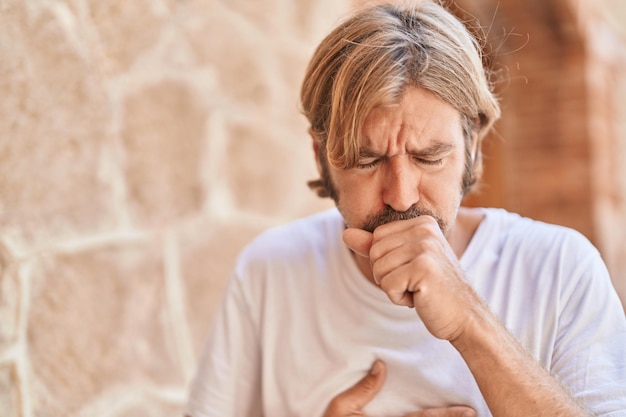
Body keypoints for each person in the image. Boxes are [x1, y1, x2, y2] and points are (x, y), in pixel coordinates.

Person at [185, 1, 626, 416]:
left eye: (429, 157)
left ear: (472, 144)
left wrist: (469, 324)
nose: (401, 195)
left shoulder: (561, 269)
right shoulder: (269, 272)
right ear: (321, 157)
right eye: (368, 160)